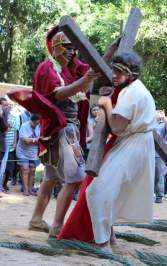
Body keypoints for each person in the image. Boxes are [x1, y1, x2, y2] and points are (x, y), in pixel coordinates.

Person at [59, 51, 156, 252]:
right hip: (134, 143)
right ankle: (109, 238)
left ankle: (102, 243)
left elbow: (117, 127)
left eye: (120, 72)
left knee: (97, 191)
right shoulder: (134, 89)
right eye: (114, 70)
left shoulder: (132, 93)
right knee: (109, 191)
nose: (114, 75)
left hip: (133, 144)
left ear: (132, 74)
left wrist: (106, 104)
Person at [7, 28, 98, 236]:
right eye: (67, 47)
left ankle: (36, 219)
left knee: (50, 177)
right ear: (56, 46)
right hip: (61, 129)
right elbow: (57, 95)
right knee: (75, 178)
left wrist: (110, 52)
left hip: (64, 128)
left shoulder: (70, 67)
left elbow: (92, 67)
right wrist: (84, 81)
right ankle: (57, 226)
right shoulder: (47, 67)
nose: (72, 52)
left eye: (74, 48)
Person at [16, 114, 40, 196]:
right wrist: (35, 140)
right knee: (25, 170)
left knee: (32, 170)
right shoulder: (24, 126)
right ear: (31, 121)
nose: (36, 125)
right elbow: (26, 141)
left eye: (38, 123)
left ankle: (30, 189)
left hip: (33, 152)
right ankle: (25, 190)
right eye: (35, 123)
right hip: (22, 152)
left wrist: (33, 140)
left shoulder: (38, 126)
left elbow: (41, 140)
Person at [154, 110, 167, 203]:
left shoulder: (162, 125)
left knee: (158, 175)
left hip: (158, 154)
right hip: (147, 152)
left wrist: (164, 117)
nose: (158, 113)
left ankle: (159, 195)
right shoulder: (149, 121)